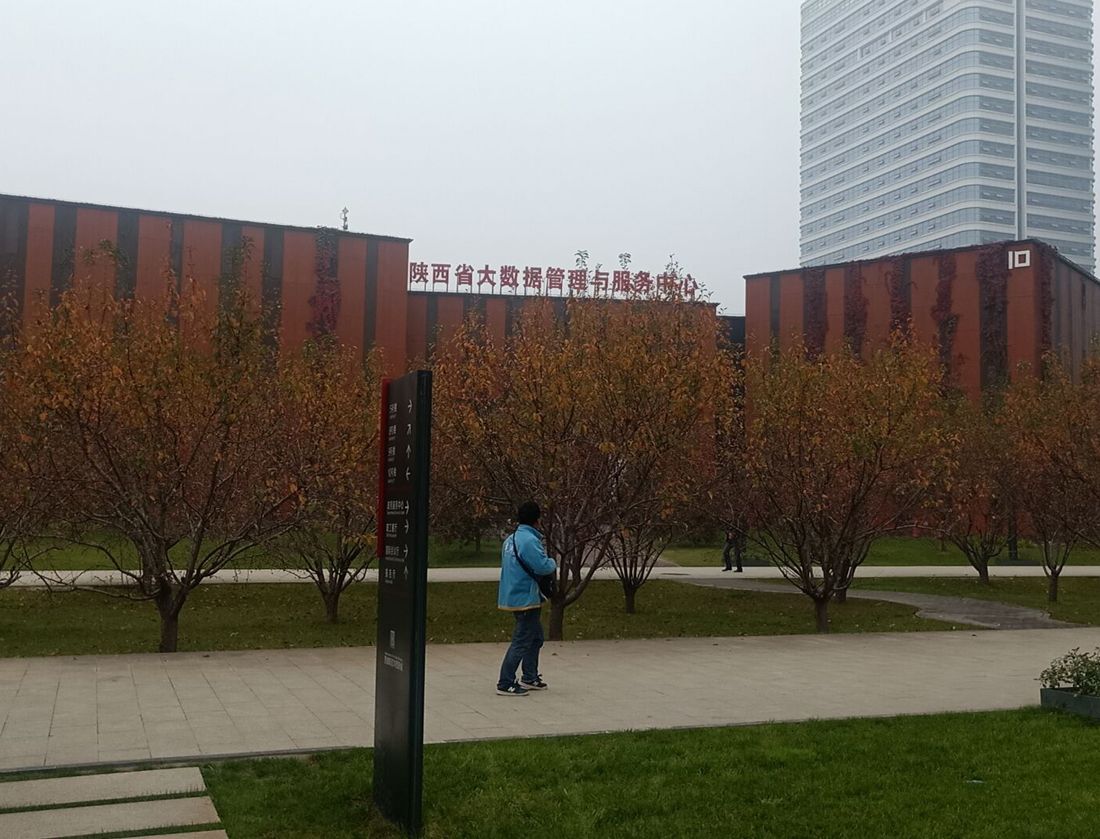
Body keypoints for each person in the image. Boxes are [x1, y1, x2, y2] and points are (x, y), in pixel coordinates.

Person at [496, 501, 556, 696]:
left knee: (535, 637)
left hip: (513, 595)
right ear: (537, 520)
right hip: (526, 597)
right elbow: (542, 566)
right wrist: (552, 562)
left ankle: (530, 676)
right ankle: (505, 682)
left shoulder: (510, 539)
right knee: (522, 640)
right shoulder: (529, 541)